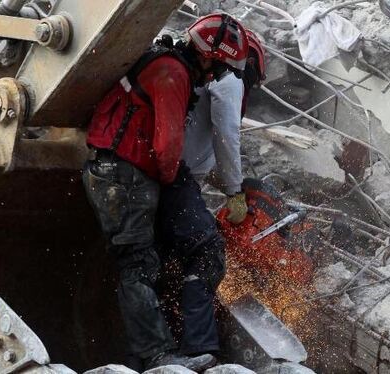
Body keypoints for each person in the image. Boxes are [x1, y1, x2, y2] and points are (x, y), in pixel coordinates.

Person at [82, 13, 248, 371]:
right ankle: (155, 355)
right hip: (123, 174)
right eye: (217, 69)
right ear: (207, 57)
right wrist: (178, 190)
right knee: (138, 264)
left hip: (138, 171)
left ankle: (194, 349)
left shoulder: (171, 66)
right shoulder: (172, 74)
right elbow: (168, 145)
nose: (215, 78)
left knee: (199, 249)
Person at [156, 27, 266, 360]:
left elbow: (205, 153)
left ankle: (165, 343)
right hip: (175, 179)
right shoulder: (229, 83)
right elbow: (226, 138)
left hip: (169, 176)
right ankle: (200, 347)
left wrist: (228, 185)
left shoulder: (201, 86)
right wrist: (234, 192)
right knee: (206, 253)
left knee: (164, 262)